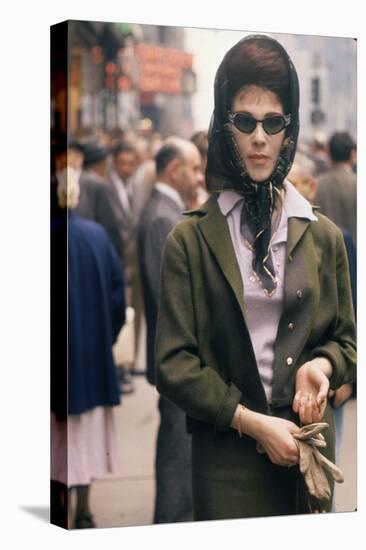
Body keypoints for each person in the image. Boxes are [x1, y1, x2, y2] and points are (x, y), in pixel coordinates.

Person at [155, 34, 356, 520]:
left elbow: (346, 343)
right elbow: (173, 364)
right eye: (245, 121)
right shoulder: (190, 239)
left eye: (274, 122)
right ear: (226, 128)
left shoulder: (323, 235)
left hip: (308, 451)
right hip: (226, 459)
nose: (260, 138)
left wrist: (321, 368)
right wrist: (252, 422)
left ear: (290, 129)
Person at [51, 168, 126, 529]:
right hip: (92, 359)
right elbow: (117, 298)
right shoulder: (97, 237)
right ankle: (83, 509)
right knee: (83, 441)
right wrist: (102, 340)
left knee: (56, 442)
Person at [138, 137, 203, 523]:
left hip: (175, 360)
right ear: (174, 169)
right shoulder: (164, 216)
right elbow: (174, 300)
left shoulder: (167, 210)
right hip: (179, 361)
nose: (198, 177)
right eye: (194, 168)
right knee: (178, 461)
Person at [288, 152, 356, 466]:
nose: (292, 191)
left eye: (298, 183)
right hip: (291, 381)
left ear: (312, 186)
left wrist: (347, 378)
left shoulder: (333, 237)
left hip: (327, 370)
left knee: (329, 458)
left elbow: (351, 307)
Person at [315, 131, 357, 245]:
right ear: (352, 154)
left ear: (328, 154)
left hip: (327, 253)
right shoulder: (356, 183)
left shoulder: (317, 184)